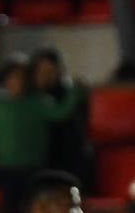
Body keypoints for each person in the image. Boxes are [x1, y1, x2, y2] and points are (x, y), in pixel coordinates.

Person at [0, 55, 84, 213]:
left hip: (33, 168)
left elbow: (60, 112)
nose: (17, 82)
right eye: (12, 78)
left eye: (22, 78)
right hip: (4, 169)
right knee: (7, 206)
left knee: (30, 207)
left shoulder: (39, 102)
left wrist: (76, 91)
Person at [30, 48, 90, 186]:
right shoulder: (28, 99)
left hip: (68, 162)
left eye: (50, 72)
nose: (46, 76)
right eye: (41, 72)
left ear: (59, 72)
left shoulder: (69, 97)